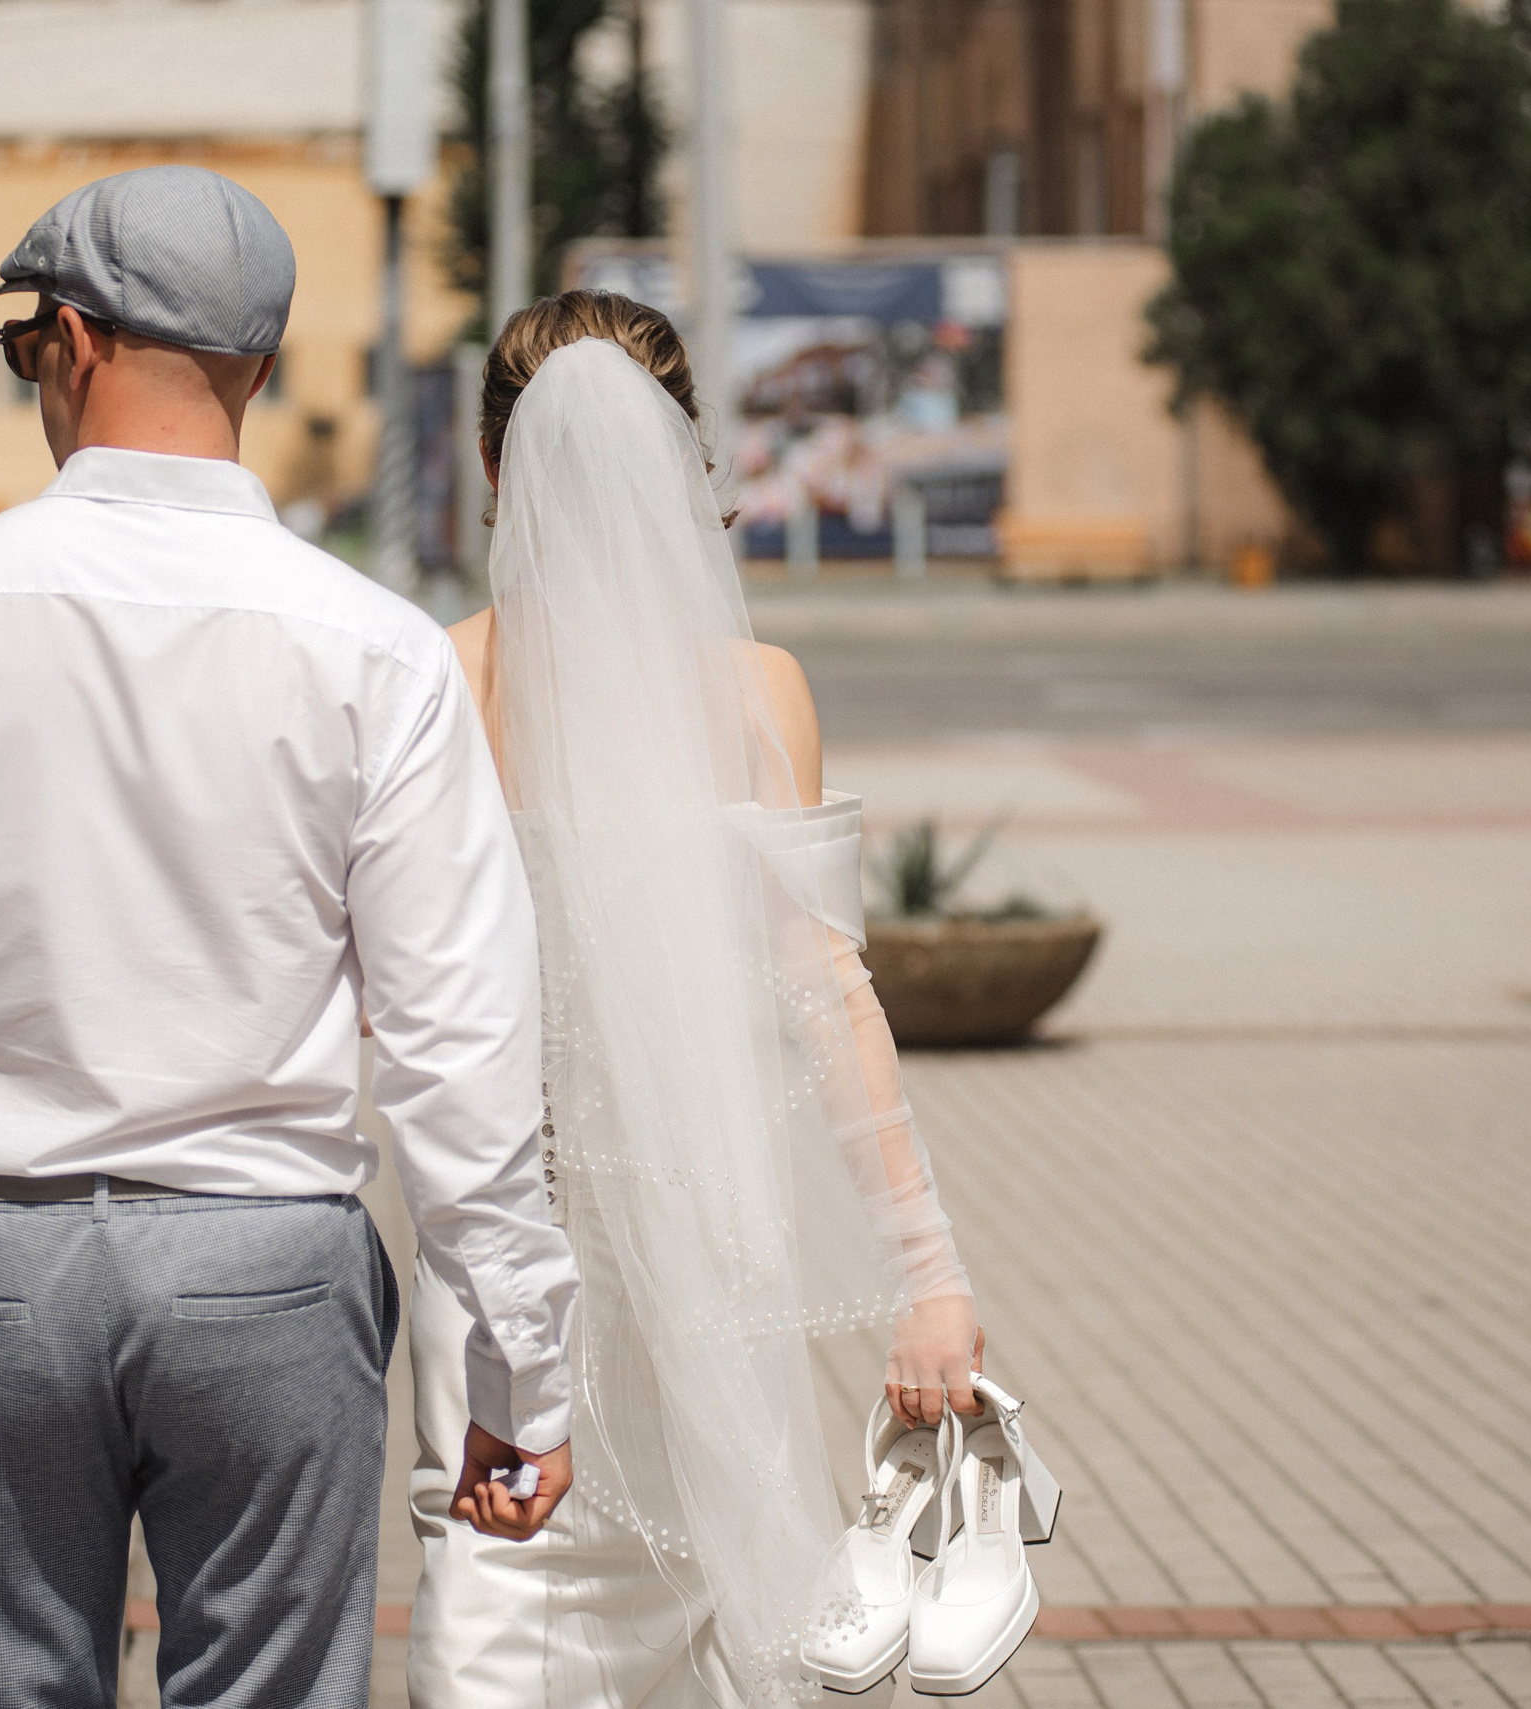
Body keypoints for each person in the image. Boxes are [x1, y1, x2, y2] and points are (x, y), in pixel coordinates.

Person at [0, 165, 578, 1709]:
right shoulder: (377, 651)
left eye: (17, 353)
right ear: (258, 366)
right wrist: (520, 1360)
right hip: (269, 1265)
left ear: (66, 336)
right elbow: (462, 1043)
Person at [406, 294, 985, 1708]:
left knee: (492, 1573)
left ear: (497, 471)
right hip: (707, 1224)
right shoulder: (755, 690)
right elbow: (830, 998)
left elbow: (389, 1009)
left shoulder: (435, 680)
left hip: (500, 1244)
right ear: (685, 467)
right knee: (729, 1585)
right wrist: (931, 1274)